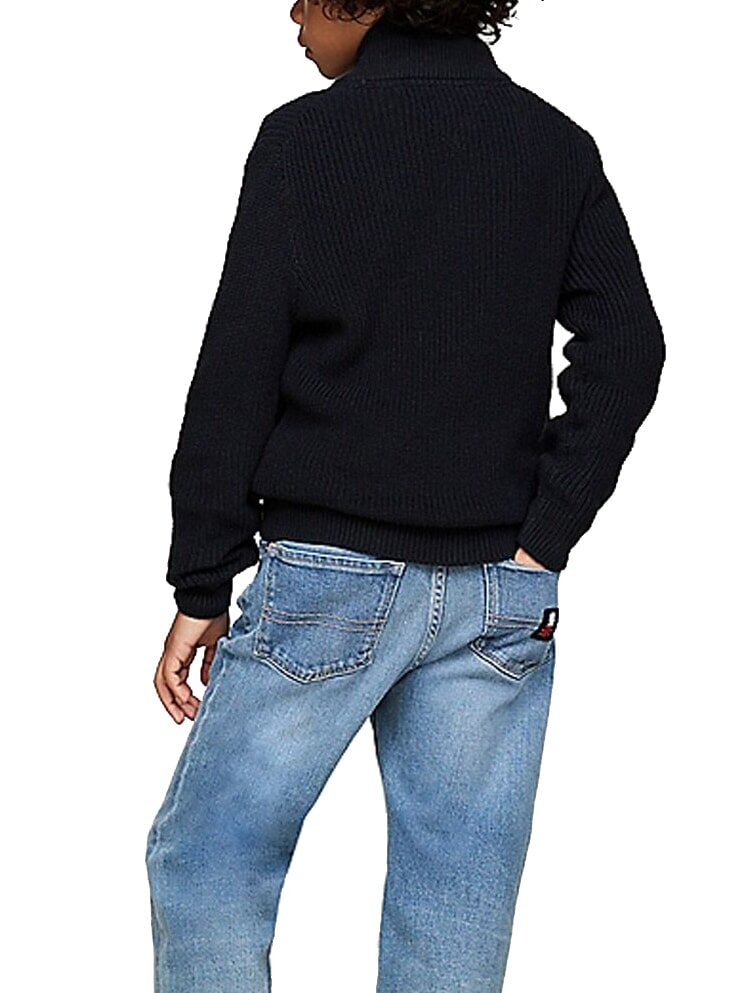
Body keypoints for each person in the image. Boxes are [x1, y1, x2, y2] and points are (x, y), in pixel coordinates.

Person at [145, 2, 666, 991]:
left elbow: (238, 367)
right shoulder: (552, 145)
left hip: (327, 582)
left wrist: (202, 579)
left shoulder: (305, 139)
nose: (293, 14)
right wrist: (544, 536)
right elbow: (631, 347)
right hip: (500, 592)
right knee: (455, 896)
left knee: (210, 860)